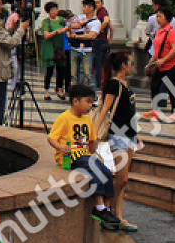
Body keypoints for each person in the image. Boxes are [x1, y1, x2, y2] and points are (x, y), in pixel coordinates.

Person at [48, 82, 121, 229]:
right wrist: (60, 147)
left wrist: (95, 150)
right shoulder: (64, 118)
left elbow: (92, 141)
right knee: (95, 170)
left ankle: (105, 209)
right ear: (75, 101)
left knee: (106, 172)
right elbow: (51, 138)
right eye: (87, 102)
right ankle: (99, 208)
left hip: (85, 155)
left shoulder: (87, 119)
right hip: (72, 156)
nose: (90, 106)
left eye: (91, 102)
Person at [98, 49, 139, 232]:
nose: (132, 66)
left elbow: (128, 112)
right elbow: (105, 108)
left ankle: (118, 216)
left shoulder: (124, 84)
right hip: (119, 136)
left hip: (130, 135)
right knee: (121, 179)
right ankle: (107, 211)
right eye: (130, 63)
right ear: (123, 65)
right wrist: (94, 132)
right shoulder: (115, 84)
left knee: (124, 180)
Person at [143, 8, 175, 121]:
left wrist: (164, 60)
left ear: (167, 17)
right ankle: (155, 110)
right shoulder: (159, 31)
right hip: (159, 65)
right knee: (154, 86)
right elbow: (157, 48)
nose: (158, 19)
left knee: (170, 88)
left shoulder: (172, 32)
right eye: (157, 16)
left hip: (170, 65)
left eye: (160, 16)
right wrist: (152, 61)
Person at [39, 1, 69, 100]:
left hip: (60, 48)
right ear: (48, 12)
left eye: (56, 9)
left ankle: (60, 89)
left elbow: (69, 25)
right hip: (50, 48)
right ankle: (46, 91)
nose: (55, 11)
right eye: (53, 10)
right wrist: (56, 31)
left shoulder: (61, 20)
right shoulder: (46, 22)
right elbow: (46, 35)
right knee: (49, 70)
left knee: (61, 70)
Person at [92, 0, 113, 86]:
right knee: (105, 63)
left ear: (102, 3)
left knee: (98, 63)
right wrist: (110, 39)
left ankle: (98, 83)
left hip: (100, 41)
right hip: (104, 41)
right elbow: (112, 27)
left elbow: (106, 21)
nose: (96, 4)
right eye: (95, 3)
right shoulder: (98, 13)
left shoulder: (102, 12)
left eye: (98, 2)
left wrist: (98, 31)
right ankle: (105, 81)